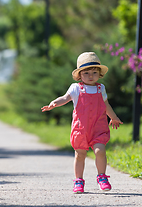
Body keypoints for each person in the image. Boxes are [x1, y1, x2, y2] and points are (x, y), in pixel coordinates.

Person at [41, 52, 123, 194]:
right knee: (80, 155)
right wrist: (54, 103)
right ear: (79, 75)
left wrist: (113, 117)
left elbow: (106, 105)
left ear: (99, 74)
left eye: (94, 72)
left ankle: (102, 177)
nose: (90, 76)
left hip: (98, 127)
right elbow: (65, 98)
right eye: (86, 73)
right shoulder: (76, 88)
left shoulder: (100, 88)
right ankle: (78, 180)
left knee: (100, 151)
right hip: (81, 129)